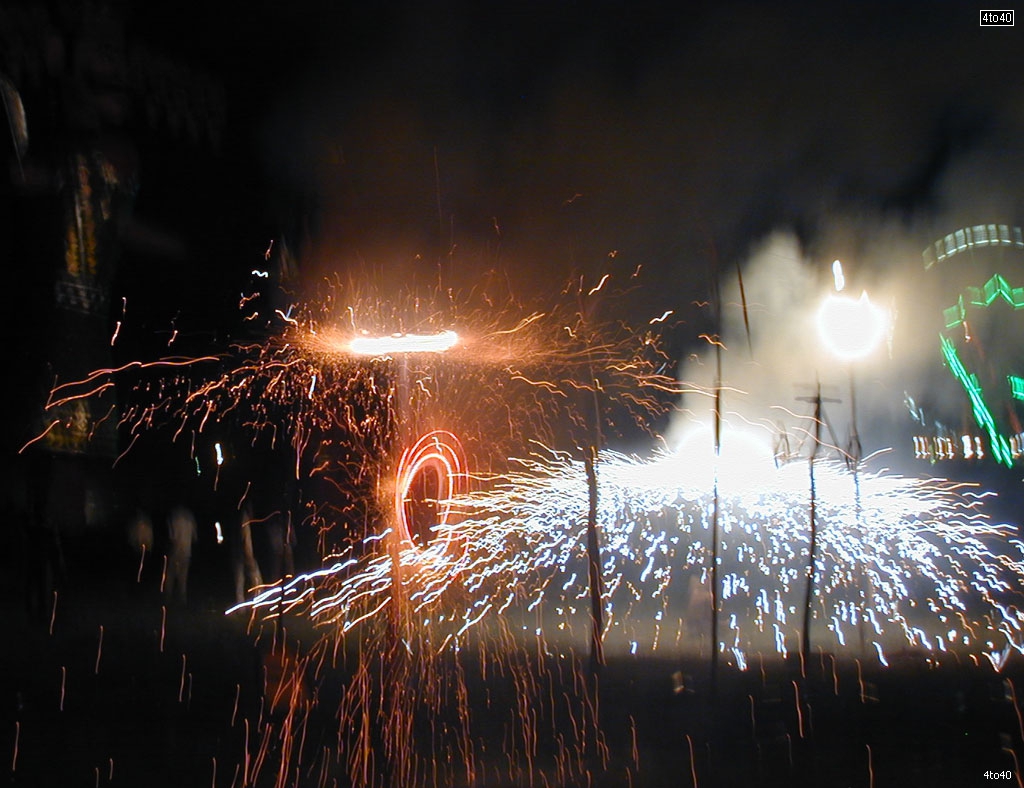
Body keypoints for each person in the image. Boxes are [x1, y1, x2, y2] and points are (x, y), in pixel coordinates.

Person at [165, 505, 197, 605]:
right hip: (187, 551)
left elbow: (172, 536)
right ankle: (182, 600)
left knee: (170, 576)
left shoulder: (173, 516)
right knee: (183, 577)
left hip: (176, 550)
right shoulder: (190, 517)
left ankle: (167, 599)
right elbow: (194, 537)